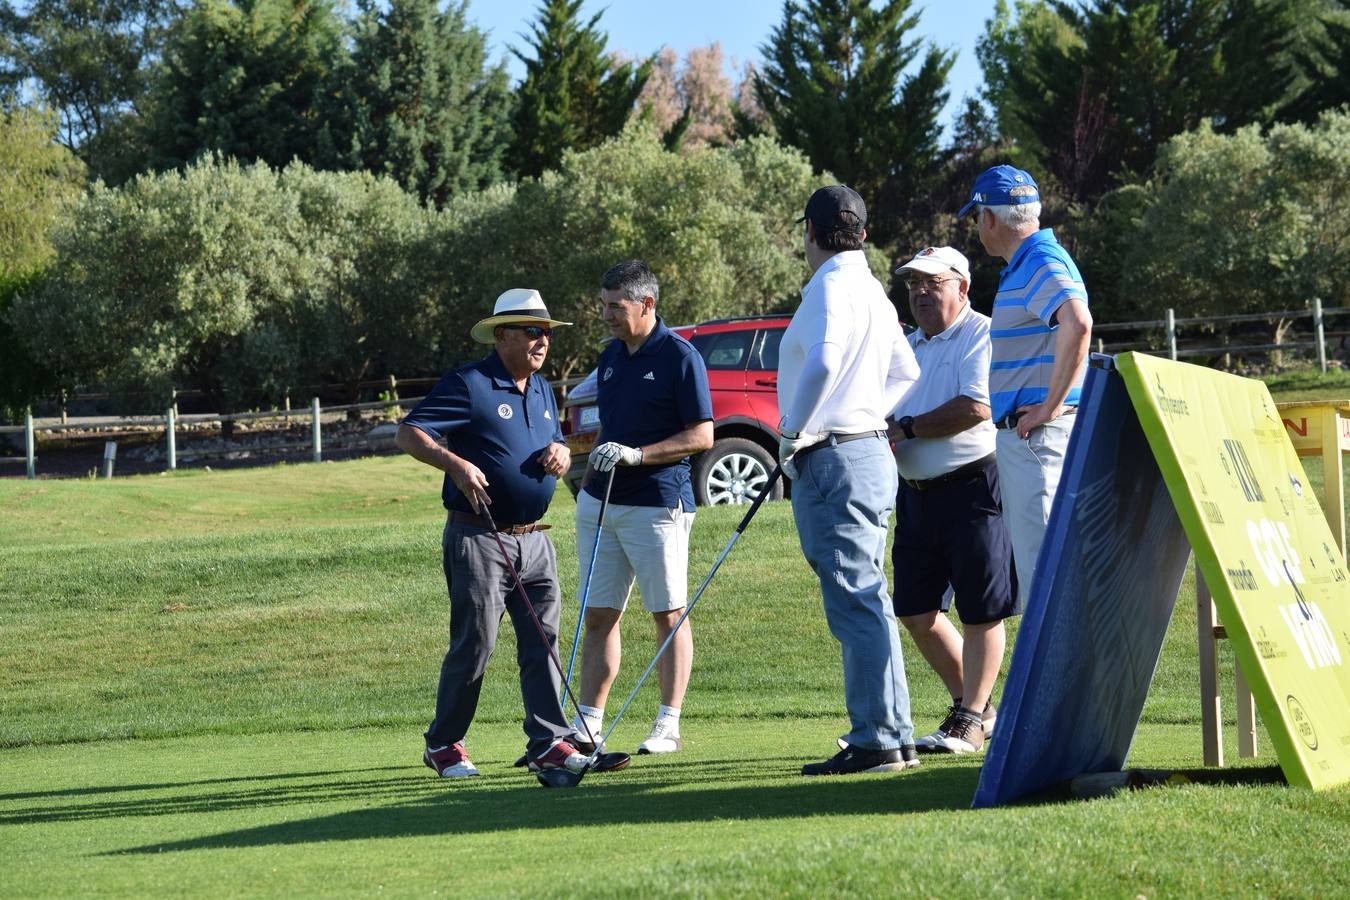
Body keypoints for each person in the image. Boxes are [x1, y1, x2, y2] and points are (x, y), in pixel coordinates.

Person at [396, 288, 589, 779]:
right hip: (479, 537)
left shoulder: (542, 387)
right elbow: (410, 432)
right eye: (532, 331)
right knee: (475, 642)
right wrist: (454, 462)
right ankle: (443, 744)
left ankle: (550, 743)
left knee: (543, 641)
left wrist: (561, 453)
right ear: (502, 335)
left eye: (546, 333)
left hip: (536, 539)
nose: (542, 341)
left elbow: (555, 439)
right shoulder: (470, 382)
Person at [777, 185, 922, 776]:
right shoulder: (873, 291)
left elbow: (825, 362)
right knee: (870, 598)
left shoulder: (831, 286)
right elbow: (906, 372)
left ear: (810, 233)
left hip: (834, 460)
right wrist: (861, 414)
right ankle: (896, 734)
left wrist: (793, 431)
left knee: (856, 599)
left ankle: (877, 740)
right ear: (862, 233)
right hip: (865, 453)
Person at [571, 259, 713, 755]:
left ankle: (667, 723)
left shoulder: (680, 356)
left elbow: (702, 435)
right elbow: (603, 425)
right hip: (602, 502)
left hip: (658, 504)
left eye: (616, 307)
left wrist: (638, 455)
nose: (606, 315)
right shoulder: (610, 357)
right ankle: (588, 722)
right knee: (599, 614)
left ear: (647, 304)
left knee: (668, 612)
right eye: (604, 305)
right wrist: (588, 481)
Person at [888, 246, 1017, 755]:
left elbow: (976, 406)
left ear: (962, 287)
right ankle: (979, 711)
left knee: (982, 610)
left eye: (932, 283)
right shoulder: (908, 344)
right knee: (917, 610)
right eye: (913, 284)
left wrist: (909, 428)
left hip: (973, 486)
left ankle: (967, 716)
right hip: (916, 494)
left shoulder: (982, 333)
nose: (920, 292)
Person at [960, 165, 1092, 606]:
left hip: (1037, 438)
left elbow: (1077, 322)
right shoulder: (1034, 259)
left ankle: (1058, 677)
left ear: (990, 218)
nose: (978, 228)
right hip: (1038, 438)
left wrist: (1049, 408)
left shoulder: (1037, 259)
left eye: (976, 218)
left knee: (1045, 584)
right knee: (1049, 577)